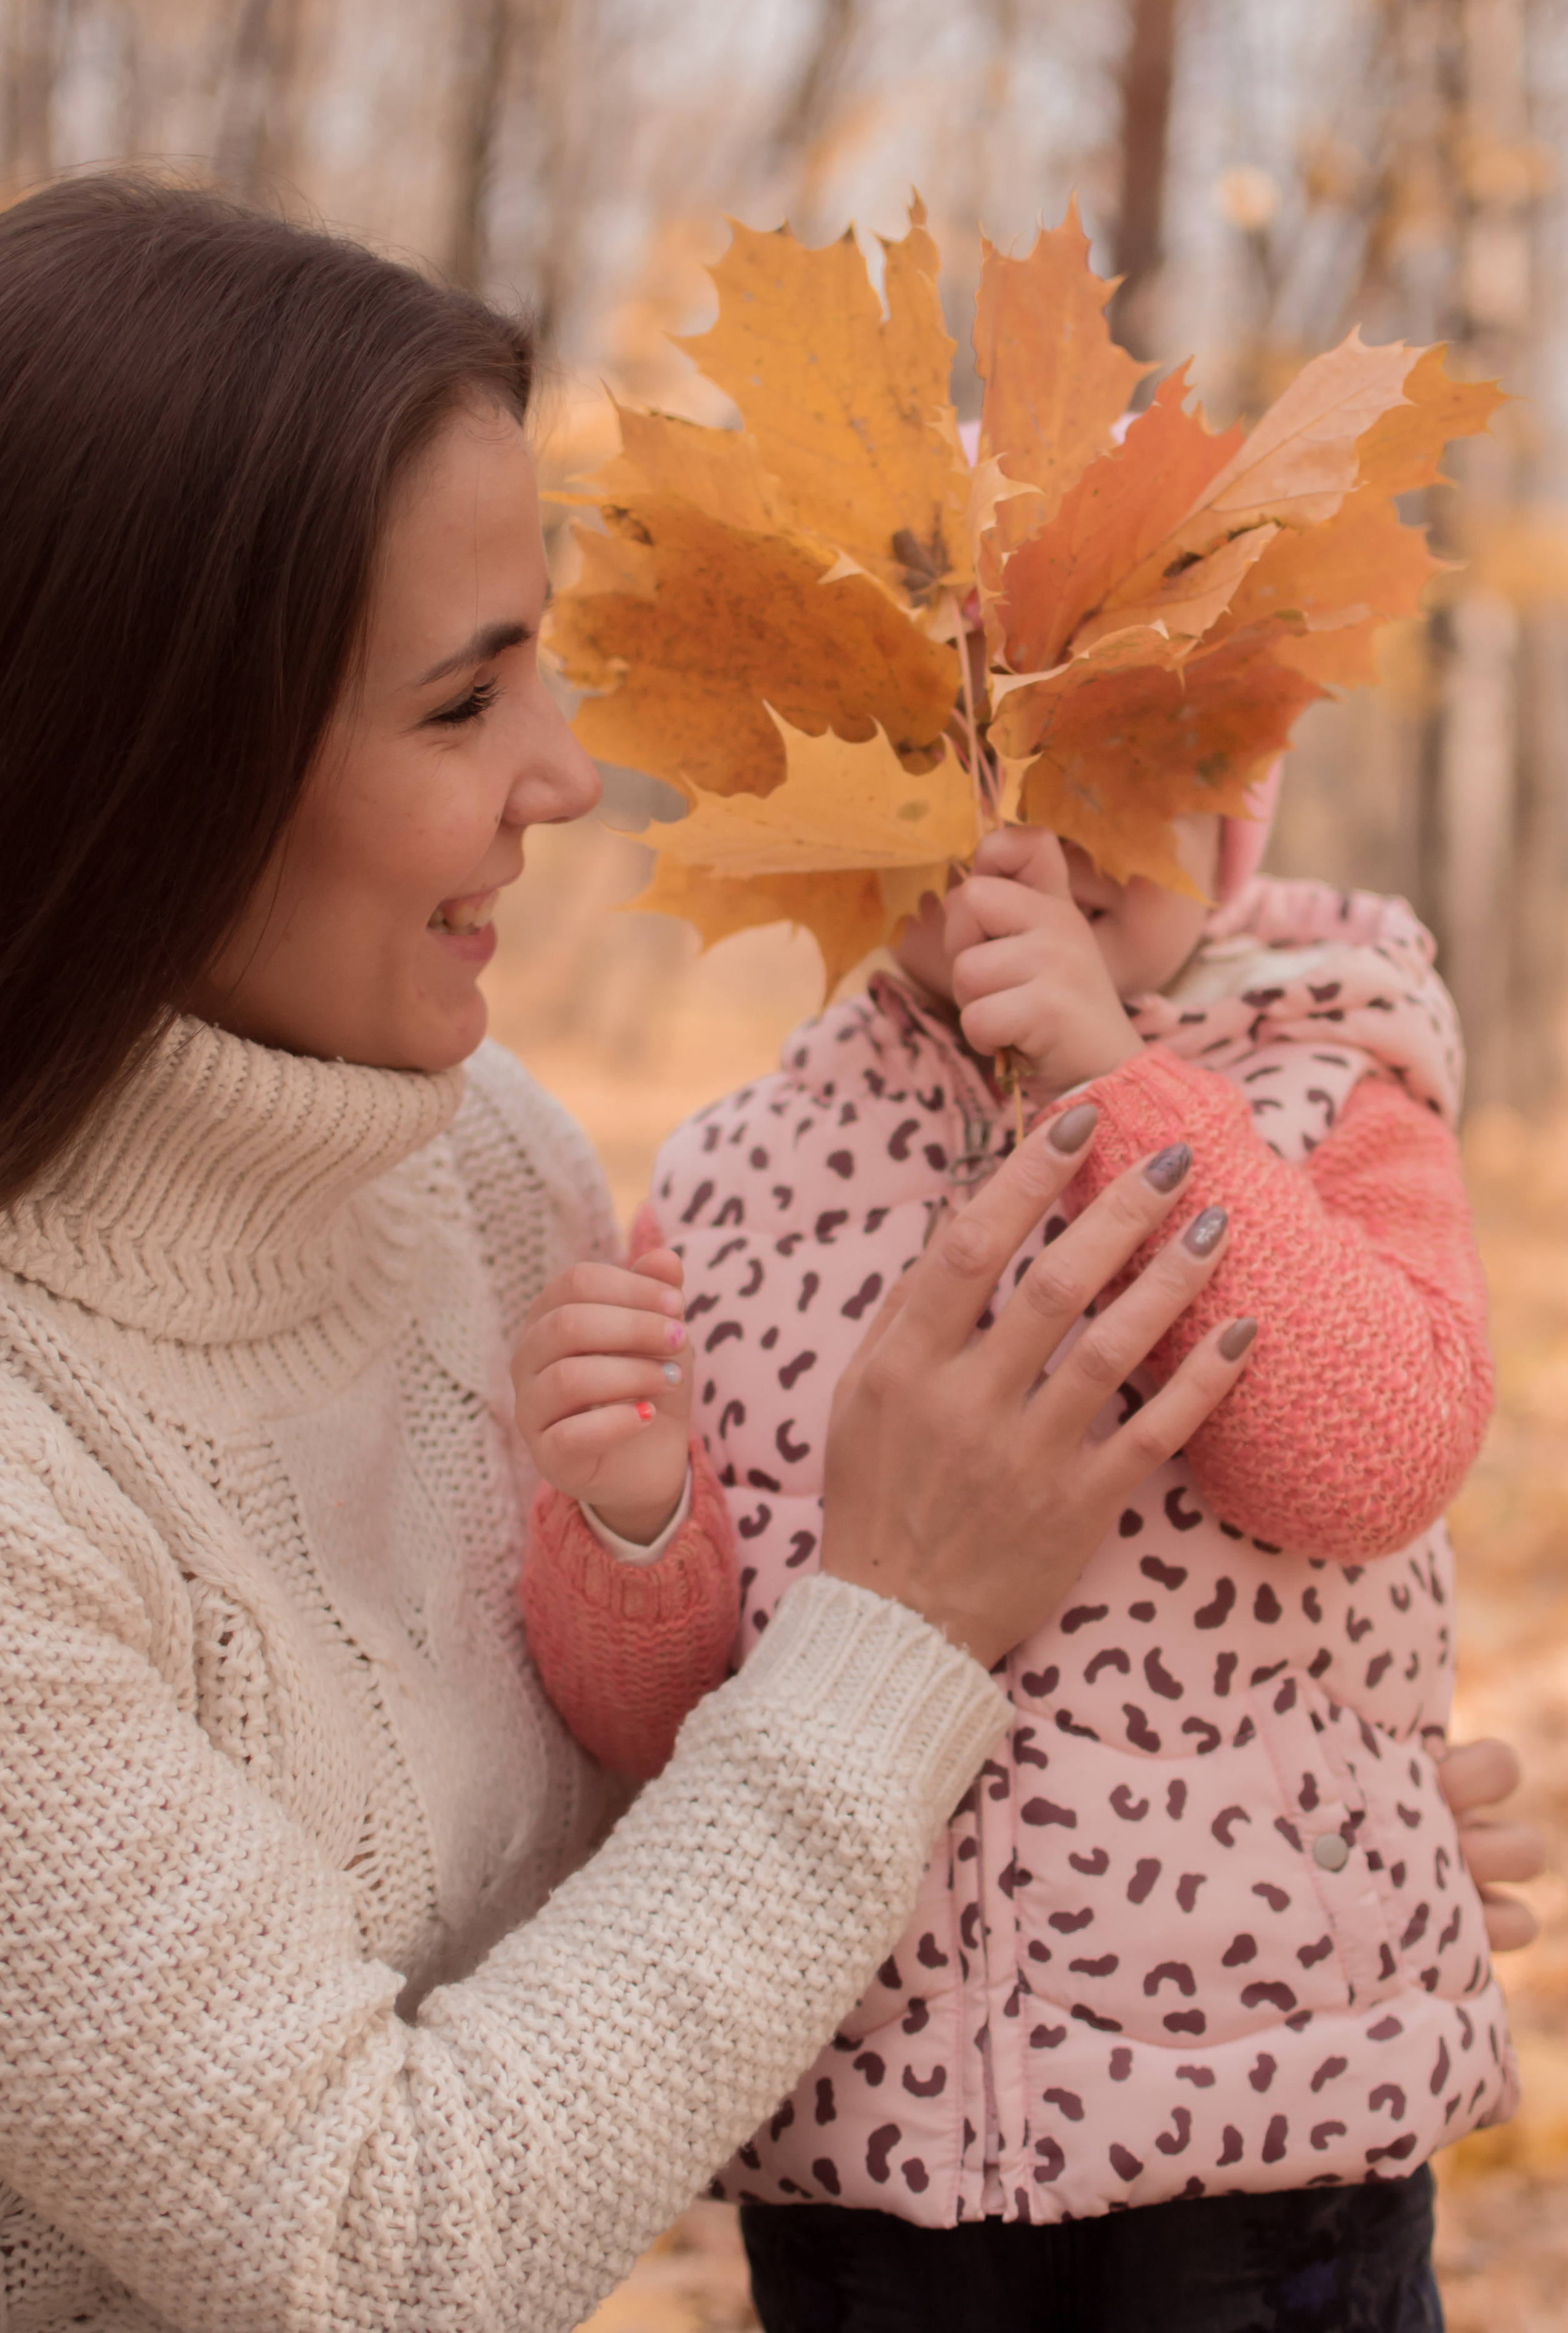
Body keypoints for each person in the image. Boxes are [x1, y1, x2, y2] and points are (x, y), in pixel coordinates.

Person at [0, 171, 1287, 2333]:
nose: (567, 780)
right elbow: (377, 2246)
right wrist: (906, 1626)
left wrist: (1212, 1829)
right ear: (153, 764)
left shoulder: (484, 1173)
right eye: (460, 703)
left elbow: (664, 1875)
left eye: (549, 676)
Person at [520, 766, 1519, 2324]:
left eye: (1113, 768)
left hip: (1262, 2127)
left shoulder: (1333, 1091)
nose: (1033, 844)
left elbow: (1370, 1461)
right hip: (873, 2139)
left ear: (1235, 798)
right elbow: (658, 1728)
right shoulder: (736, 1182)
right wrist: (631, 1514)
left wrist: (1115, 1087)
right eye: (945, 770)